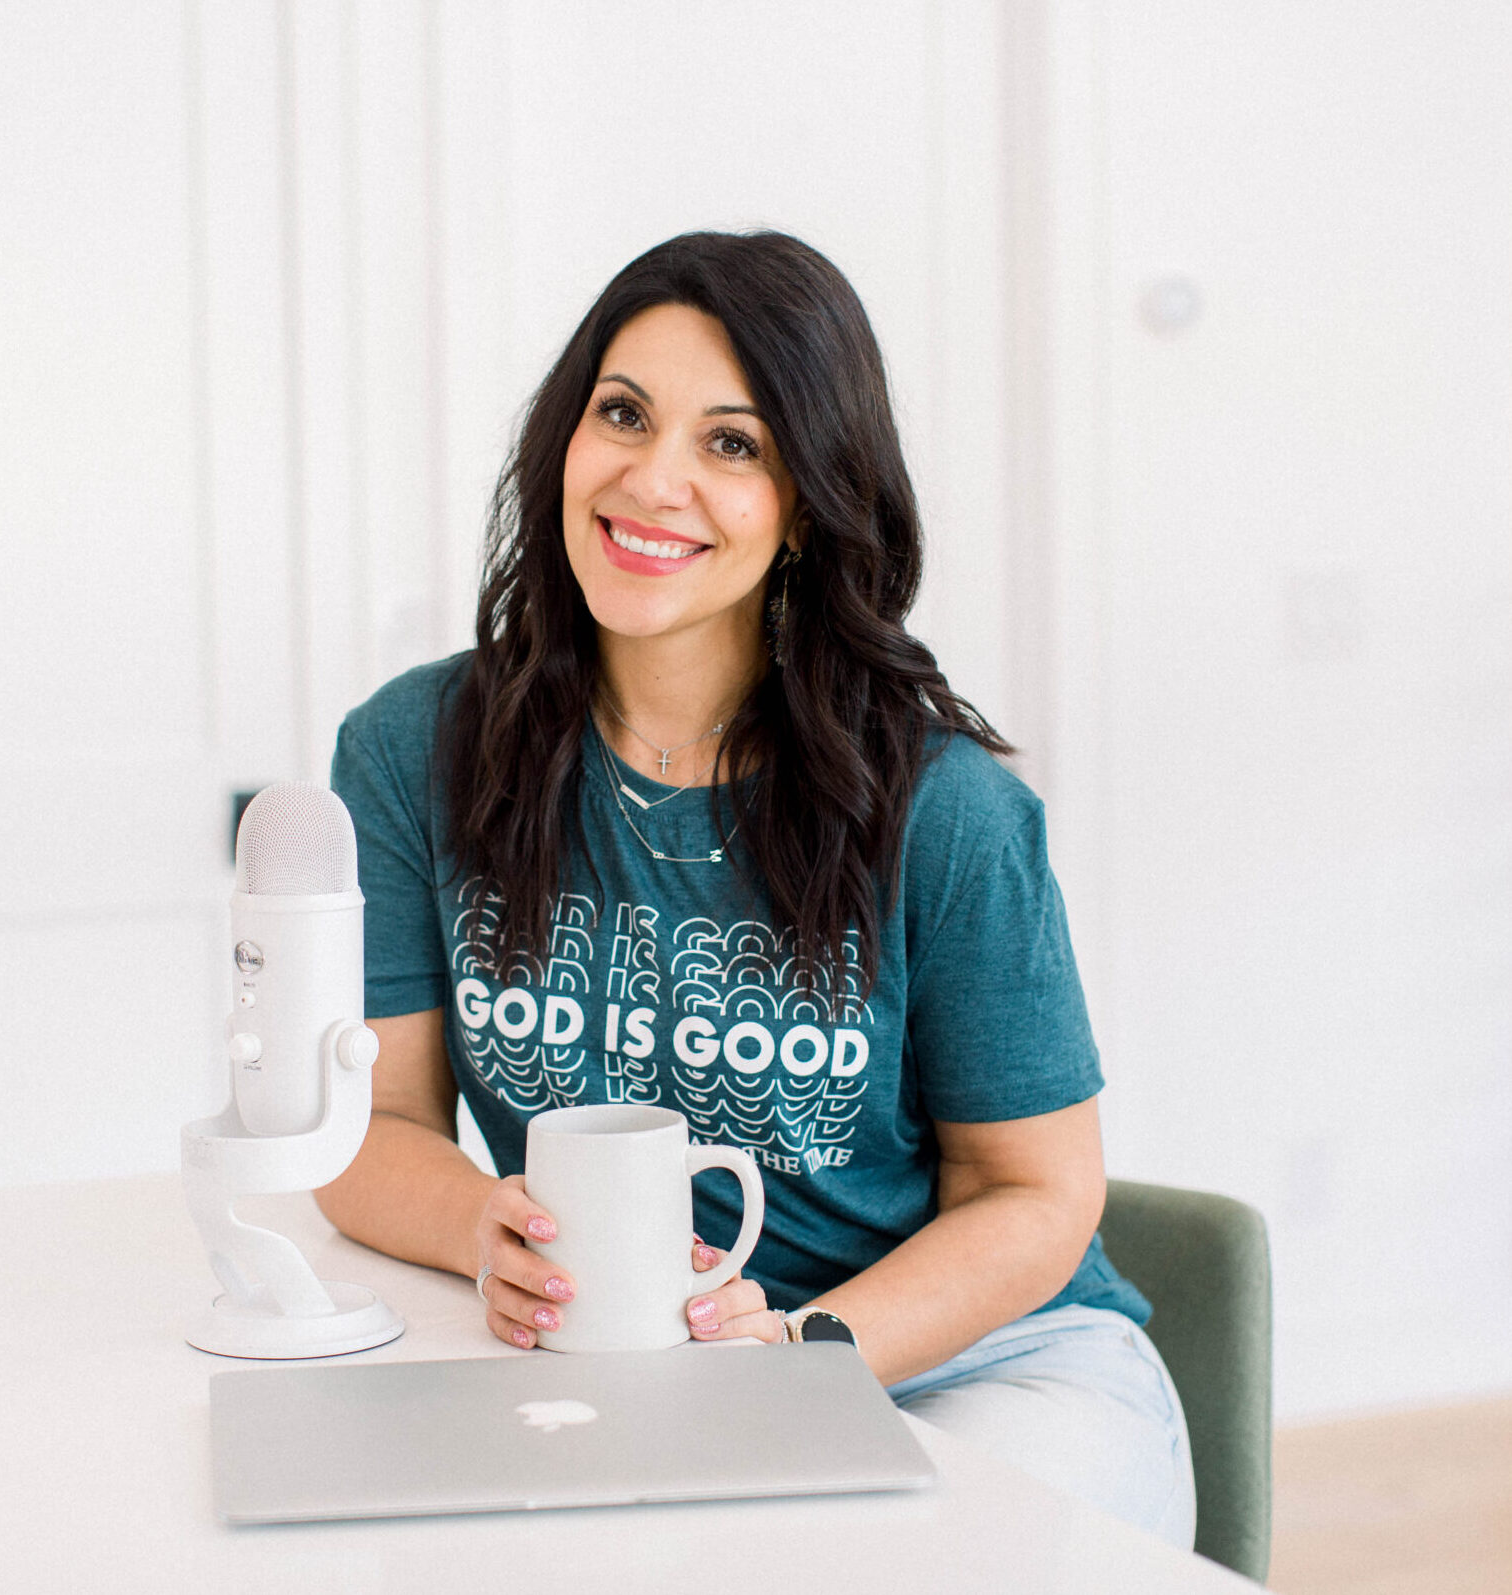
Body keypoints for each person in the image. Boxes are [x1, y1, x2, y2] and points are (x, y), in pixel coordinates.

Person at [317, 230, 1195, 1546]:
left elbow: (1038, 1198)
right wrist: (478, 1230)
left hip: (975, 1366)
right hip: (609, 1371)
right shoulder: (413, 750)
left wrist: (799, 1349)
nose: (652, 478)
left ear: (807, 505)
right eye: (622, 413)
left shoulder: (945, 810)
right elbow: (377, 1119)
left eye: (733, 444)